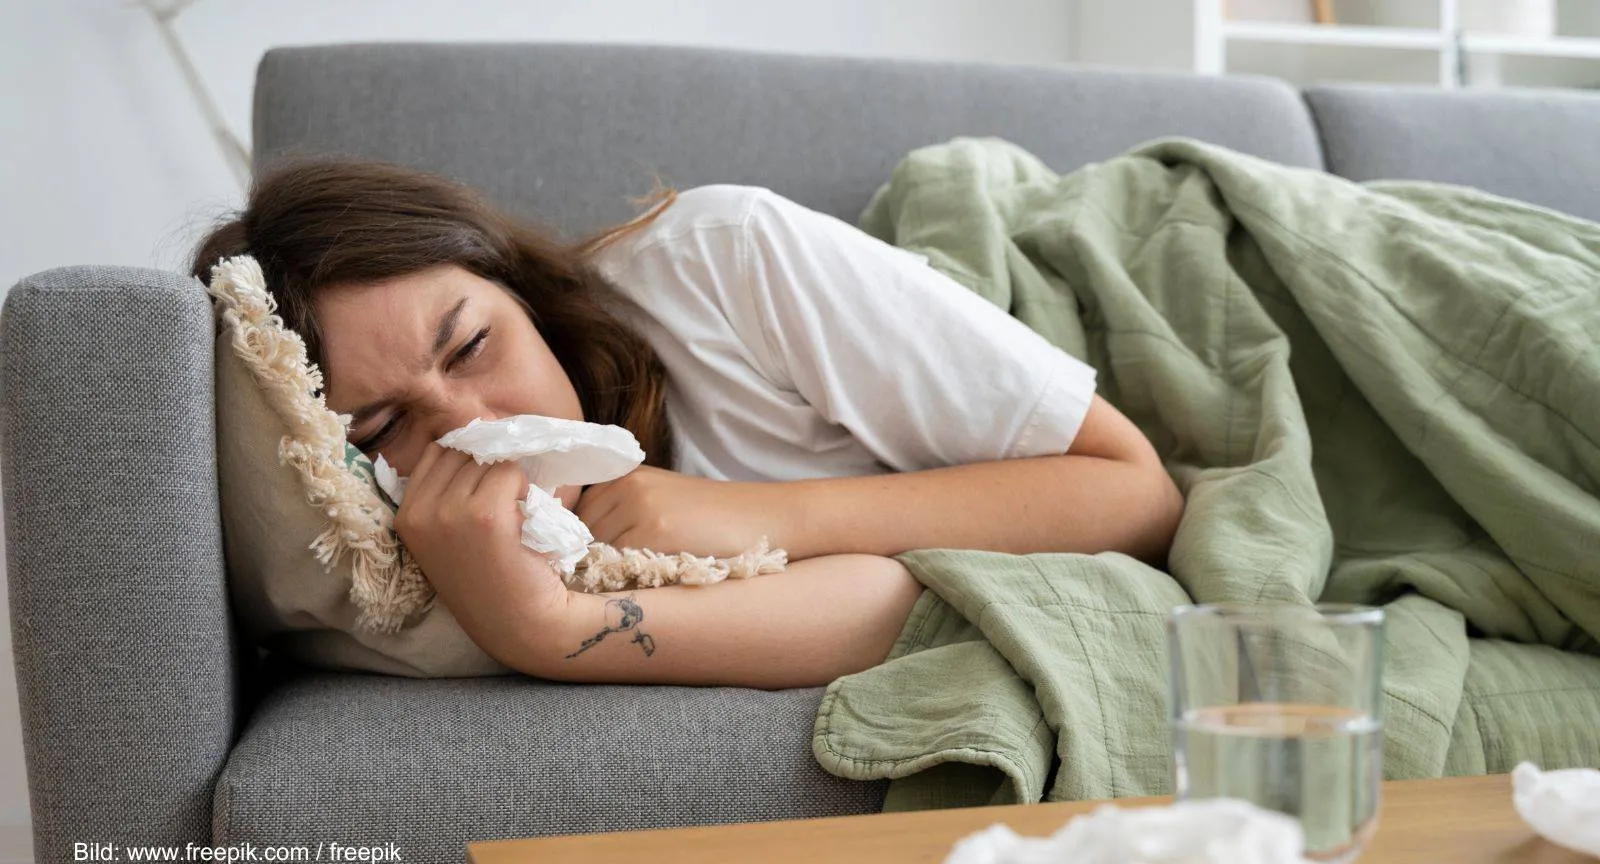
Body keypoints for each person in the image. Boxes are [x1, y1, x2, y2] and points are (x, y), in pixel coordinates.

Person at [192, 159, 1183, 690]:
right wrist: (545, 626)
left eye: (471, 347)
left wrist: (756, 516)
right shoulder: (394, 552)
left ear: (515, 287)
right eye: (381, 428)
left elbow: (1135, 490)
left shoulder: (726, 261)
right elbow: (880, 603)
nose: (473, 423)